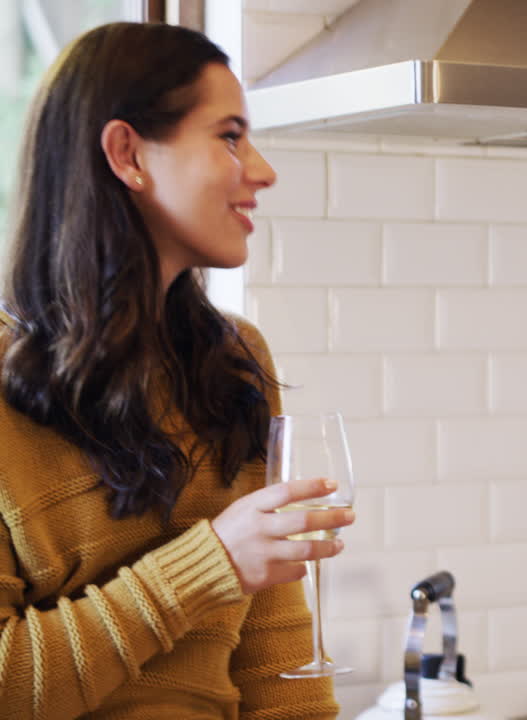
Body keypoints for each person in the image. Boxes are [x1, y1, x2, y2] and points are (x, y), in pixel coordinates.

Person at [0, 22, 353, 718]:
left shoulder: (234, 360)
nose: (262, 169)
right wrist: (211, 564)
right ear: (128, 153)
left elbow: (280, 666)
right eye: (228, 135)